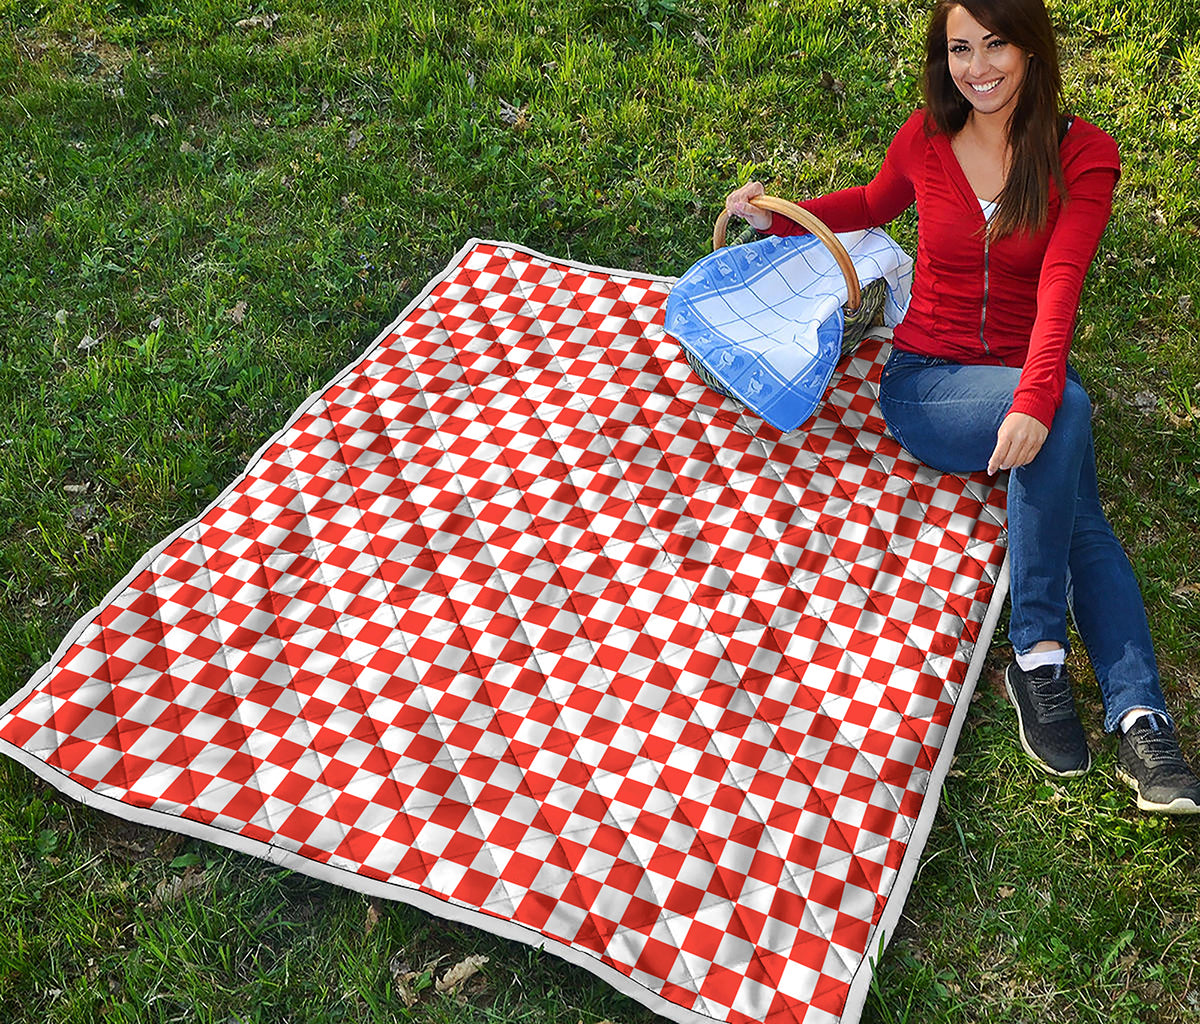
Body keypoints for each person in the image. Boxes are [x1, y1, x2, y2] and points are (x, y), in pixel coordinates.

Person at [724, 0, 1200, 814]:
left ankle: (1134, 715)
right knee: (1070, 420)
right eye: (959, 49)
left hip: (1020, 376)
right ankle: (1045, 655)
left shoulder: (1083, 155)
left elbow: (1061, 284)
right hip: (927, 384)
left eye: (996, 44)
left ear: (1031, 48)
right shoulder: (926, 137)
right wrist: (780, 221)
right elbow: (872, 205)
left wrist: (1037, 396)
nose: (977, 67)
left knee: (1075, 479)